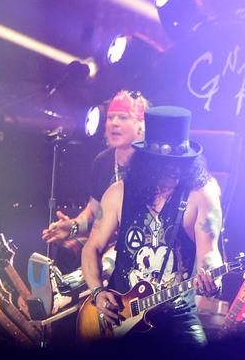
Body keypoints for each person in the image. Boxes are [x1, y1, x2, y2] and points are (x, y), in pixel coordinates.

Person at [81, 106, 223, 346]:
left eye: (180, 162)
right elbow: (91, 248)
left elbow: (209, 252)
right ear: (147, 161)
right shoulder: (118, 193)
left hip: (176, 315)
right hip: (121, 314)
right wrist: (97, 292)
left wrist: (212, 278)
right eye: (164, 163)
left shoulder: (201, 195)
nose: (173, 169)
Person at [41, 90, 149, 271]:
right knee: (68, 252)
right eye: (110, 117)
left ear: (140, 125)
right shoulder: (103, 161)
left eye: (123, 117)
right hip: (106, 236)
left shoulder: (151, 162)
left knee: (109, 264)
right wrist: (73, 226)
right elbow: (95, 211)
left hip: (142, 240)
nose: (114, 123)